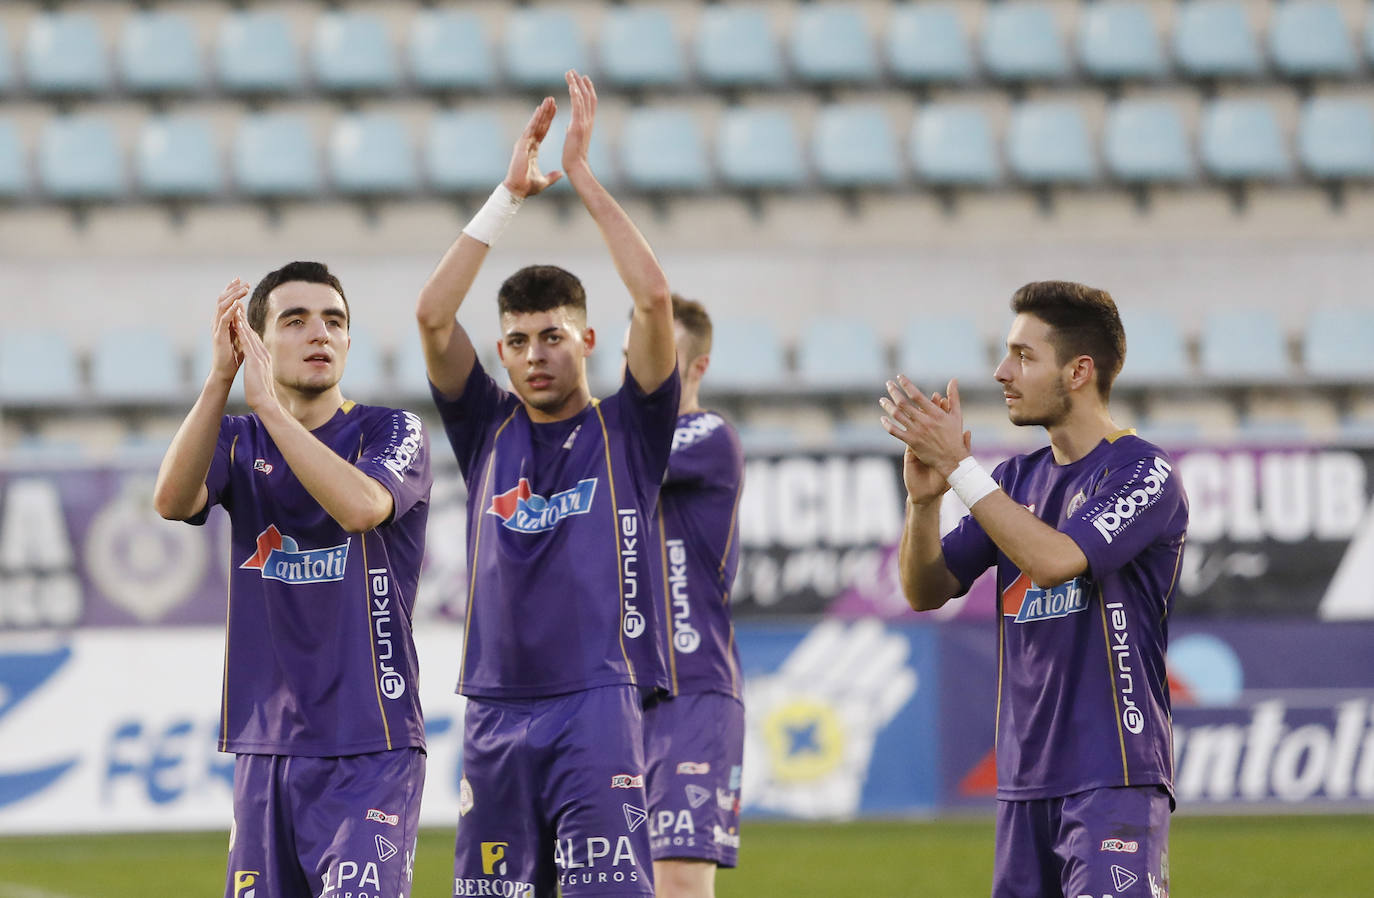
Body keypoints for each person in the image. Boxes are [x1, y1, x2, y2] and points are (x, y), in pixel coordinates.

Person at [415, 71, 678, 898]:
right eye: (520, 341)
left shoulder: (631, 428)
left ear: (588, 340)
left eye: (553, 336)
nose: (535, 354)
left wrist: (583, 178)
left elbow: (655, 299)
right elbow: (431, 316)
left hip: (596, 699)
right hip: (493, 706)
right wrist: (508, 197)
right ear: (502, 352)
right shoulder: (485, 427)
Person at [879, 281, 1187, 898]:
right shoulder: (1016, 478)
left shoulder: (1142, 471)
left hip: (1112, 775)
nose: (1002, 372)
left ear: (1078, 371)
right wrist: (924, 502)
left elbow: (1054, 561)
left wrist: (959, 468)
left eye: (1023, 355)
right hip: (1024, 784)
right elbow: (925, 589)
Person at [153, 261, 433, 898]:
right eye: (296, 320)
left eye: (334, 321)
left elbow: (361, 507)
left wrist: (269, 410)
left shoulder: (392, 430)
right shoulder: (234, 439)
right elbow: (170, 500)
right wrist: (220, 379)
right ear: (256, 342)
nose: (319, 333)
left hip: (372, 741)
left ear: (350, 340)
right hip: (266, 749)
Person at [640, 296, 745, 898]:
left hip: (691, 688)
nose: (640, 365)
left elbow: (618, 464)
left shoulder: (708, 435)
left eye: (660, 352)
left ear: (698, 366)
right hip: (617, 696)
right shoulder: (615, 438)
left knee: (678, 883)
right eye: (633, 352)